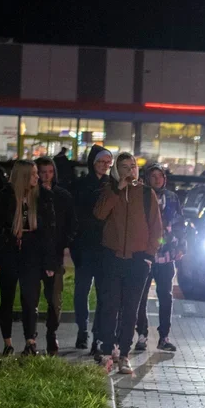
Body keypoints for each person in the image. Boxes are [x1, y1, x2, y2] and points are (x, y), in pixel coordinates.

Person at [94, 152, 163, 375]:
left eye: (133, 166)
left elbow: (156, 228)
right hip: (112, 257)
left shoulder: (145, 194)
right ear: (117, 170)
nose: (130, 170)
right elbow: (99, 214)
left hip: (138, 259)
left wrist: (149, 255)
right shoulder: (109, 190)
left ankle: (124, 354)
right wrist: (117, 190)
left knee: (131, 309)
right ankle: (107, 352)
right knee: (110, 306)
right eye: (125, 167)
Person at [0, 160, 56, 357]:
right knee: (7, 298)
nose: (37, 177)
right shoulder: (4, 197)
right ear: (23, 176)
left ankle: (30, 342)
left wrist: (50, 261)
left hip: (31, 254)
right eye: (33, 174)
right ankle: (7, 343)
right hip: (8, 252)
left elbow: (49, 231)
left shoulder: (42, 197)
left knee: (30, 299)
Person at [135, 164, 185, 353]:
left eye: (160, 176)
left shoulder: (172, 197)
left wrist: (181, 245)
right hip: (145, 254)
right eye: (153, 176)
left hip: (166, 255)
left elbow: (180, 222)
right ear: (147, 178)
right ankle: (142, 333)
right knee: (140, 296)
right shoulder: (141, 196)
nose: (157, 179)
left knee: (166, 296)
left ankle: (164, 336)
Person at [73, 145, 113, 354]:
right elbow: (75, 217)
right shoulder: (81, 185)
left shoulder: (112, 185)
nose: (105, 166)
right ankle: (82, 330)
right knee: (81, 290)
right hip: (84, 246)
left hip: (105, 247)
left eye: (108, 162)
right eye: (101, 162)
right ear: (92, 162)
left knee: (103, 293)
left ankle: (97, 333)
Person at [35, 156, 76, 355]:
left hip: (56, 254)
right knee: (32, 297)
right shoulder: (32, 195)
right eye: (42, 172)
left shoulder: (63, 196)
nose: (46, 176)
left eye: (50, 172)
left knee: (54, 298)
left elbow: (71, 224)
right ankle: (31, 338)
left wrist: (66, 243)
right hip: (35, 254)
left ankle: (51, 333)